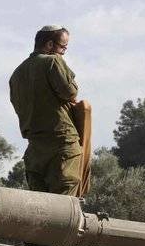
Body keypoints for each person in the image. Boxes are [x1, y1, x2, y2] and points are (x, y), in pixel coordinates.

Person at [9, 25, 91, 196]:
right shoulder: (52, 61)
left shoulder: (16, 74)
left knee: (41, 207)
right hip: (61, 144)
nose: (63, 53)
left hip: (35, 150)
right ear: (49, 45)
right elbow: (70, 92)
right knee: (64, 206)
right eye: (63, 47)